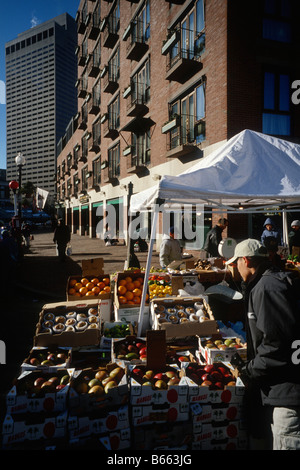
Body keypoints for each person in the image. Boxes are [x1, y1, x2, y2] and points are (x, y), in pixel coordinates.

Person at [226, 238, 300, 450]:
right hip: (282, 389)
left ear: (246, 260)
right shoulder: (270, 282)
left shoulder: (267, 288)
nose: (234, 268)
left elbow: (276, 345)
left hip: (288, 393)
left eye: (235, 263)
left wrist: (248, 370)